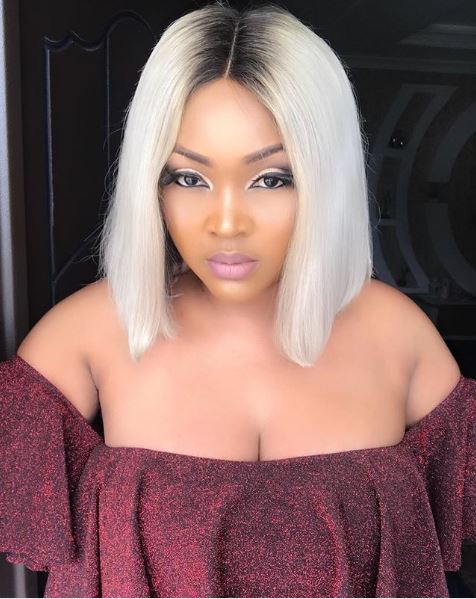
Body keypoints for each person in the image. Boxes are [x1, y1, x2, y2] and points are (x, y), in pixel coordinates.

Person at [0, 1, 474, 597]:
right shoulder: (85, 336)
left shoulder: (399, 338)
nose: (226, 223)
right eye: (189, 178)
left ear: (326, 180)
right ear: (152, 182)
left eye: (272, 178)